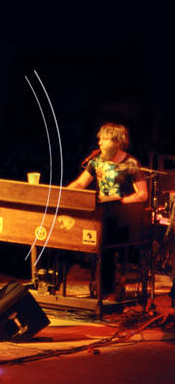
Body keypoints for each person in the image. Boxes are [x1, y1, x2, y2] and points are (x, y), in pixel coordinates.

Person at [68, 123, 148, 298]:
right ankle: (100, 287)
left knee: (107, 246)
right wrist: (65, 194)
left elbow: (142, 194)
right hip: (101, 213)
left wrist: (121, 201)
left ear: (118, 142)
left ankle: (109, 289)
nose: (100, 143)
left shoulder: (130, 164)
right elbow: (80, 183)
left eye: (105, 139)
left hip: (122, 217)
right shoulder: (97, 161)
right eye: (100, 139)